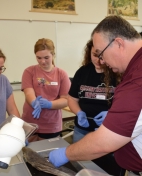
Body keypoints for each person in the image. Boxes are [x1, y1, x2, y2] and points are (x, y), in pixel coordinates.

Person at [49, 15, 142, 176]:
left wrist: (66, 153)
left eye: (101, 54)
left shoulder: (136, 81)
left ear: (119, 43)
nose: (102, 61)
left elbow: (104, 142)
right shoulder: (133, 70)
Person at [68, 39, 121, 143]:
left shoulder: (116, 73)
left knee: (106, 159)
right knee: (80, 158)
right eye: (95, 55)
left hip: (108, 129)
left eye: (102, 56)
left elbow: (125, 103)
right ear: (89, 52)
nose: (98, 60)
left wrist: (110, 114)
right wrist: (79, 113)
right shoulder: (82, 72)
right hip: (82, 130)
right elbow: (72, 99)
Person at [21, 38, 71, 142]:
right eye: (39, 58)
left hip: (51, 125)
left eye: (46, 57)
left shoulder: (61, 74)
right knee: (28, 154)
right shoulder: (29, 71)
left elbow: (65, 100)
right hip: (30, 122)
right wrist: (34, 102)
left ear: (53, 55)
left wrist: (49, 104)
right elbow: (28, 92)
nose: (42, 61)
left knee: (48, 155)